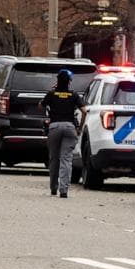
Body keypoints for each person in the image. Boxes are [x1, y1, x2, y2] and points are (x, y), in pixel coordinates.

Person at [43, 69, 82, 197]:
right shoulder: (74, 95)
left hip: (54, 127)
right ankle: (64, 190)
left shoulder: (52, 94)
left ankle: (53, 188)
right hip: (70, 127)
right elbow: (85, 110)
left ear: (57, 80)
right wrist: (79, 127)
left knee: (54, 158)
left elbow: (40, 105)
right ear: (69, 82)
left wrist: (53, 92)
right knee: (66, 159)